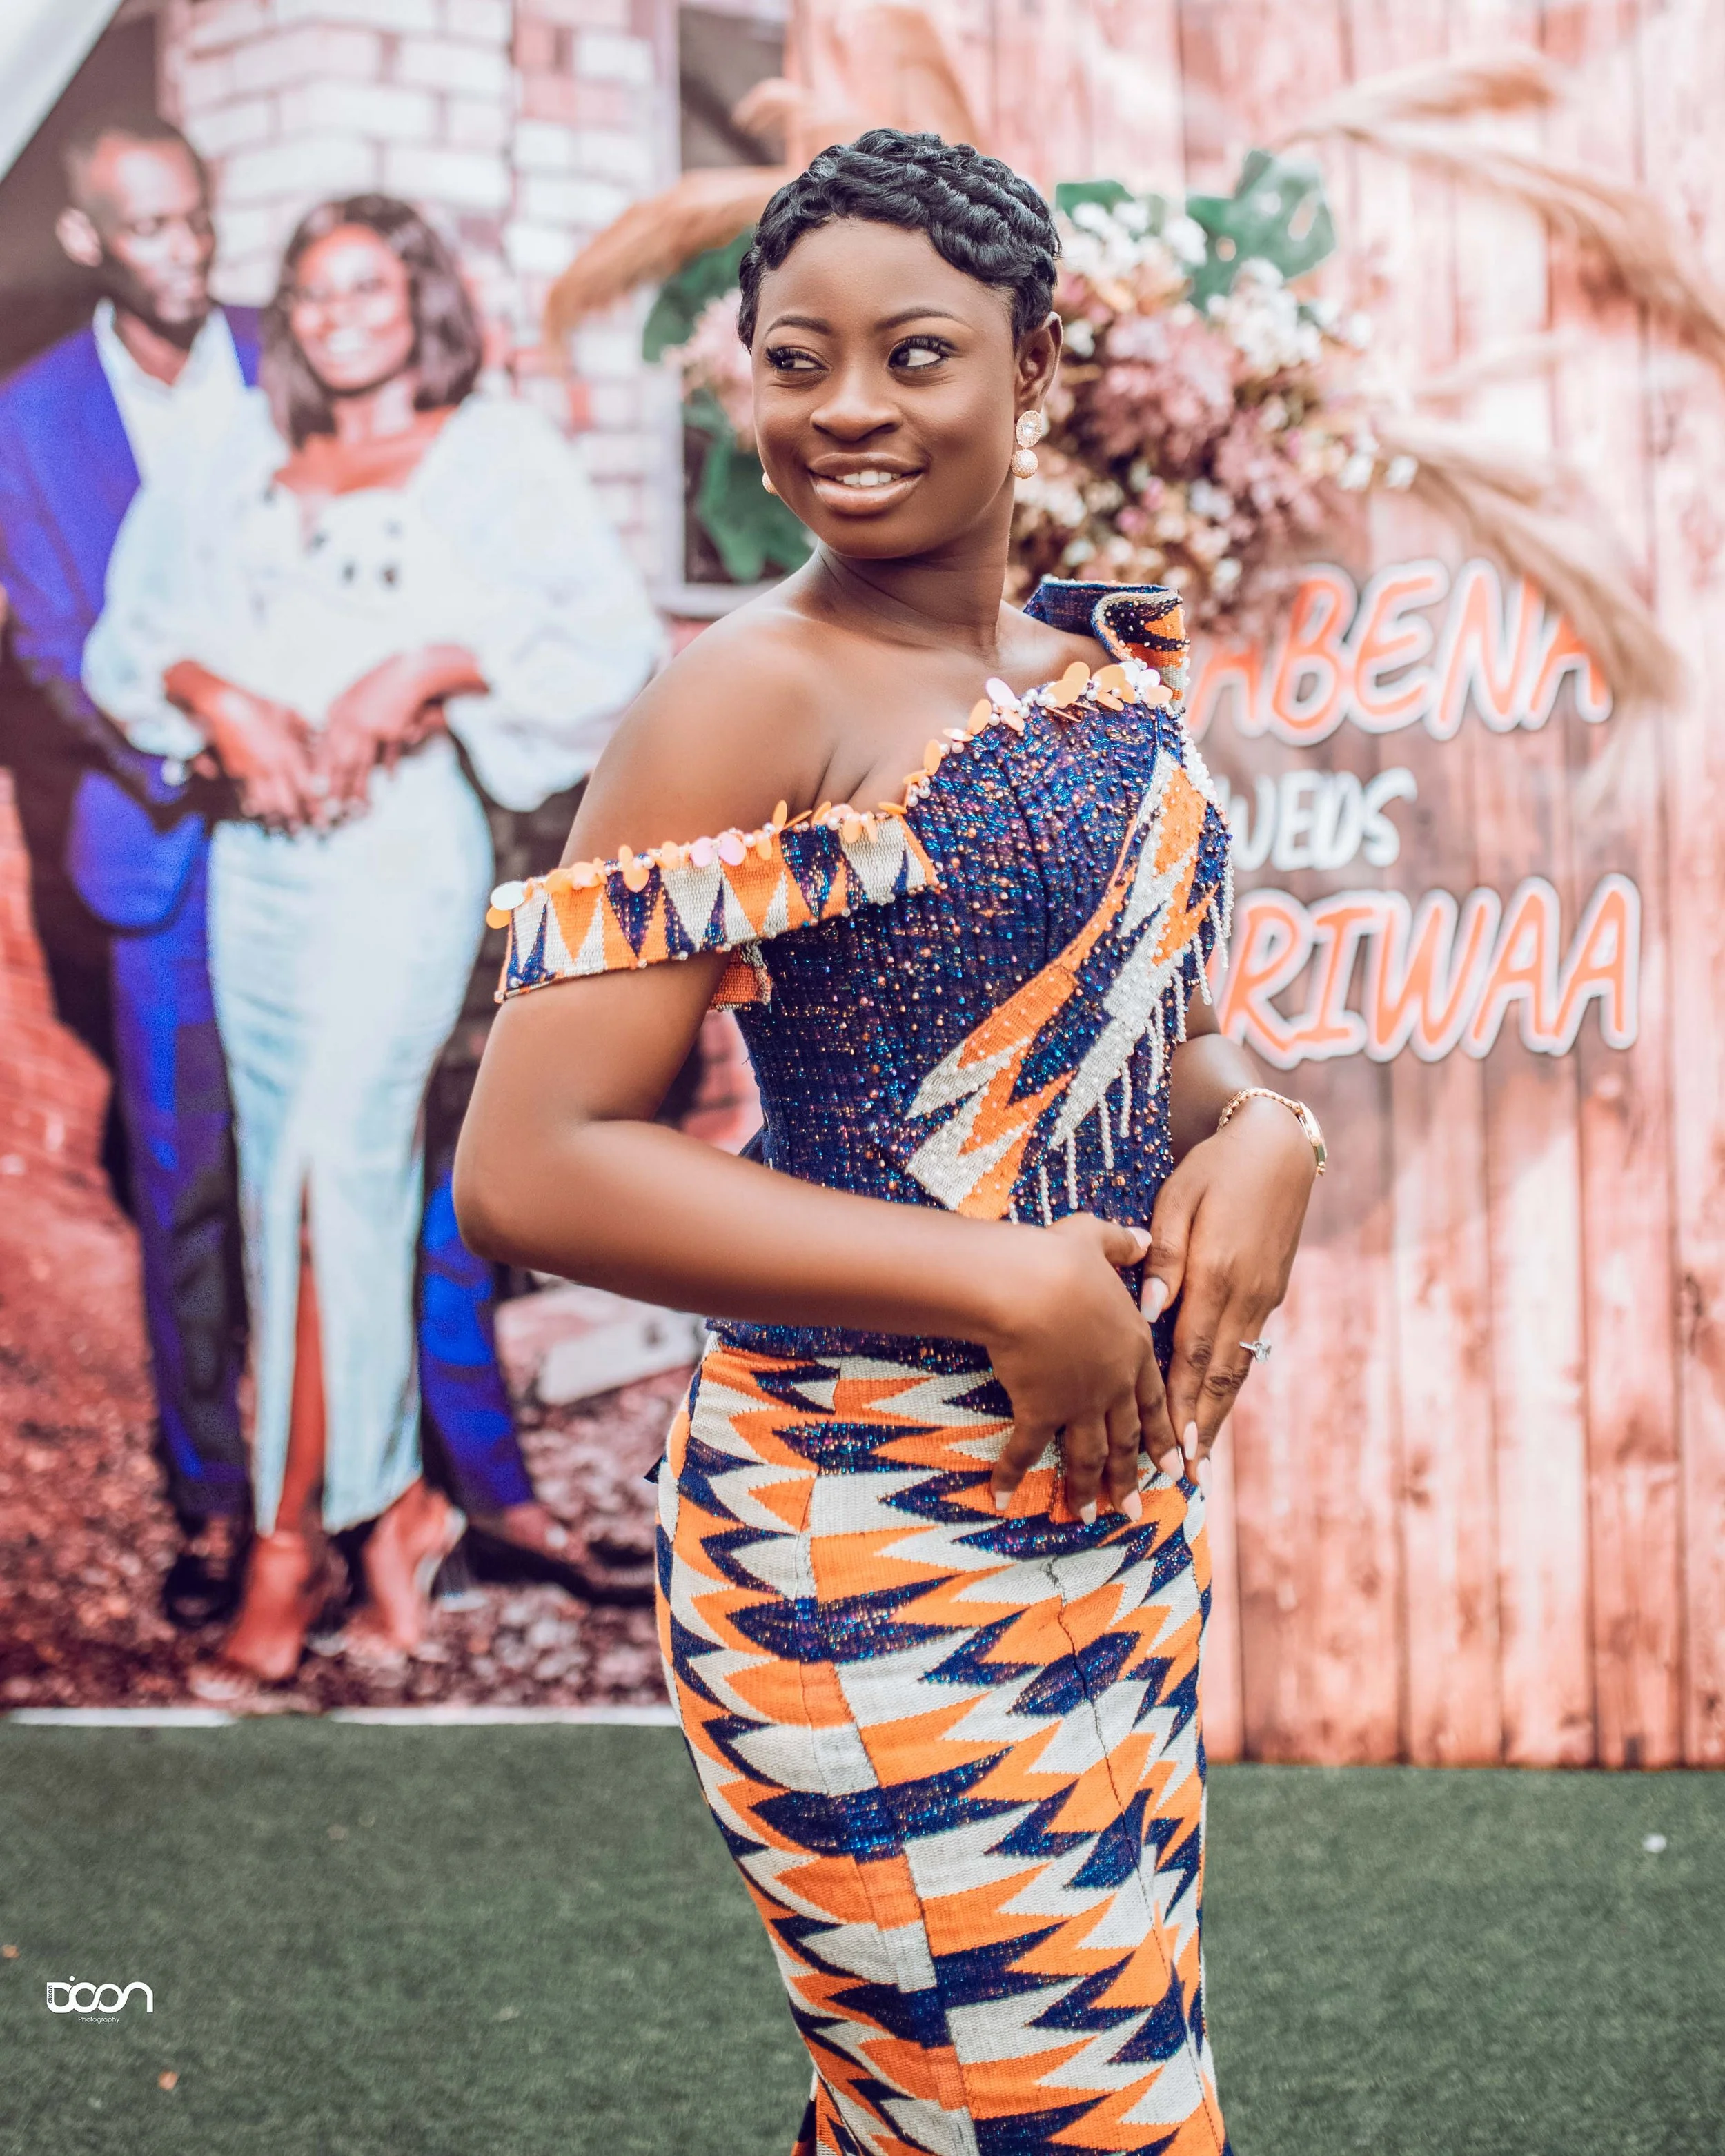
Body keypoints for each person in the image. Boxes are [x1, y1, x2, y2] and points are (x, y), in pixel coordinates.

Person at [456, 132, 1319, 2153]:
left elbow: (1135, 1044)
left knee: (941, 2112)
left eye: (913, 353)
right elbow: (537, 1159)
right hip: (858, 1535)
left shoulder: (1095, 671)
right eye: (793, 359)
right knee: (1062, 2122)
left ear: (1035, 359)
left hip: (1098, 1522)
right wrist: (992, 1271)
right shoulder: (742, 695)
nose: (843, 408)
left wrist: (1267, 1122)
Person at [83, 195, 661, 1693]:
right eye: (310, 292)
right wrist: (221, 697)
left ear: (419, 299)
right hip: (255, 870)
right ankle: (393, 1507)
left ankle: (291, 1541)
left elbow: (609, 647)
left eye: (367, 286)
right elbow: (128, 638)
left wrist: (432, 659)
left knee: (330, 1176)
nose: (337, 315)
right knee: (289, 1197)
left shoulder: (494, 452)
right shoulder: (234, 456)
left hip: (399, 856)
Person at [0, 114, 258, 1627]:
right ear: (91, 240)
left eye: (195, 222)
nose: (181, 255)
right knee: (185, 1186)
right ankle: (211, 1499)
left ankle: (353, 1495)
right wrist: (180, 756)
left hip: (335, 839)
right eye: (145, 229)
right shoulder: (28, 418)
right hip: (159, 840)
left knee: (348, 1176)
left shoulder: (290, 354)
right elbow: (44, 632)